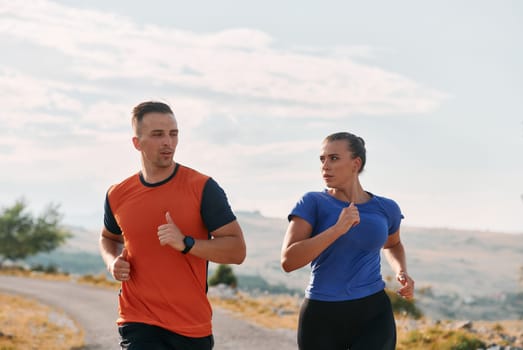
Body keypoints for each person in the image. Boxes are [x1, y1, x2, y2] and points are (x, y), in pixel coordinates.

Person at [99, 101, 246, 350]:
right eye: (158, 135)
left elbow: (236, 251)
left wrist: (186, 243)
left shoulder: (202, 188)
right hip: (138, 320)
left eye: (173, 134)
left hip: (190, 325)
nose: (168, 142)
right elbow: (108, 238)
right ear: (137, 142)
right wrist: (112, 261)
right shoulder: (118, 194)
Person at [281, 132, 414, 350]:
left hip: (373, 310)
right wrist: (337, 229)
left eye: (333, 158)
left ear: (356, 163)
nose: (325, 166)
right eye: (322, 159)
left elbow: (393, 244)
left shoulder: (385, 208)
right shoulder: (312, 202)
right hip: (322, 313)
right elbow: (289, 261)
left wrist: (401, 271)